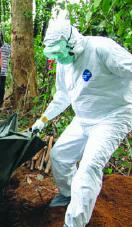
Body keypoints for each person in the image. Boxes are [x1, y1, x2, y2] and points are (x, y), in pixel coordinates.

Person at [31, 20, 132, 227]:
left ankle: (74, 223)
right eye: (54, 54)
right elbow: (62, 96)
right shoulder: (63, 64)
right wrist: (42, 120)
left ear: (71, 42)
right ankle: (68, 195)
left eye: (59, 52)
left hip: (113, 116)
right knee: (59, 156)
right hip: (83, 117)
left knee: (88, 167)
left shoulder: (100, 48)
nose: (58, 58)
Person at [0, 30, 11, 108]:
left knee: (1, 88)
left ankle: (1, 103)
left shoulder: (7, 47)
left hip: (3, 71)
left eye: (2, 36)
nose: (0, 37)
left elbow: (11, 56)